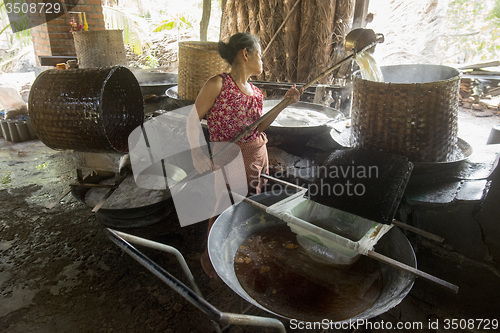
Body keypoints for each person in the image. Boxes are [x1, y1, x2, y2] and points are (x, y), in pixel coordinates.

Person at [191, 32, 302, 278]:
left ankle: (241, 256)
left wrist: (285, 103)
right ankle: (215, 261)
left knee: (251, 208)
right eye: (260, 54)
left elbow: (258, 127)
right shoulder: (217, 84)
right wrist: (199, 155)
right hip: (229, 158)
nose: (262, 60)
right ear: (246, 54)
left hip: (256, 157)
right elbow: (191, 119)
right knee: (225, 209)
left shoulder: (256, 93)